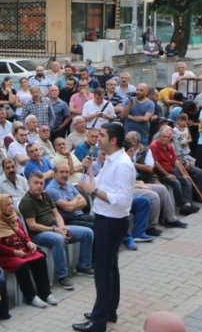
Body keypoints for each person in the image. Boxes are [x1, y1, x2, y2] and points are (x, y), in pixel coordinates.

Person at [72, 123, 135, 332]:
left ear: (113, 140)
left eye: (102, 135)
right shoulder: (109, 160)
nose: (98, 138)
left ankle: (98, 321)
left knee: (102, 271)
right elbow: (96, 183)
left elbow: (122, 200)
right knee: (110, 268)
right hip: (104, 218)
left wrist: (94, 190)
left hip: (112, 222)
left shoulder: (123, 164)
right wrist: (88, 170)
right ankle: (108, 311)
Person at [21, 172, 95, 290]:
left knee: (87, 232)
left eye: (41, 183)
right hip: (39, 234)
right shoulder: (26, 201)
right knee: (58, 239)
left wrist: (63, 228)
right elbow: (32, 226)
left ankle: (83, 265)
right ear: (28, 183)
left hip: (55, 227)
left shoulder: (46, 195)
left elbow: (57, 215)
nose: (39, 186)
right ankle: (62, 277)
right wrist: (56, 230)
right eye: (36, 183)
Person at [0, 194, 55, 308]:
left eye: (12, 203)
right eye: (8, 205)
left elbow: (23, 233)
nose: (11, 207)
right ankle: (30, 297)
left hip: (22, 249)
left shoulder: (14, 217)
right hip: (7, 256)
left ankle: (45, 293)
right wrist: (14, 253)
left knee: (40, 258)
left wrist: (28, 242)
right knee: (22, 266)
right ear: (0, 207)